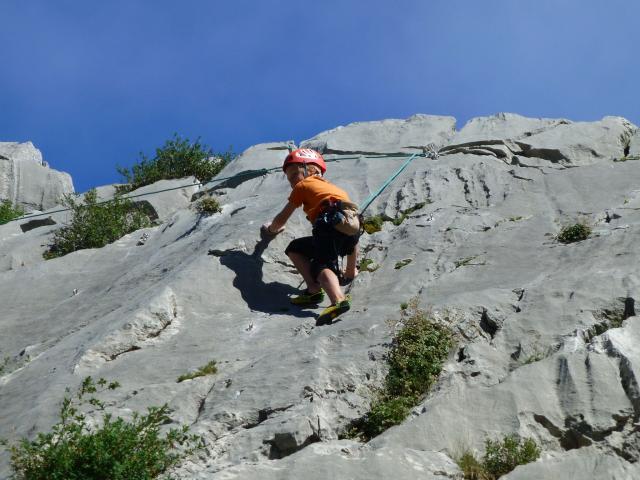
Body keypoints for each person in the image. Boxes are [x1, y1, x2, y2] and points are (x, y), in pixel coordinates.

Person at [261, 148, 359, 326]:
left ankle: (338, 300)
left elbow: (284, 215)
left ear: (311, 170)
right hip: (350, 224)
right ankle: (314, 290)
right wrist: (350, 270)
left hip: (327, 223)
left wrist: (272, 229)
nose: (292, 182)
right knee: (295, 248)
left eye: (293, 176)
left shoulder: (303, 186)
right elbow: (352, 240)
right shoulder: (336, 190)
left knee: (321, 265)